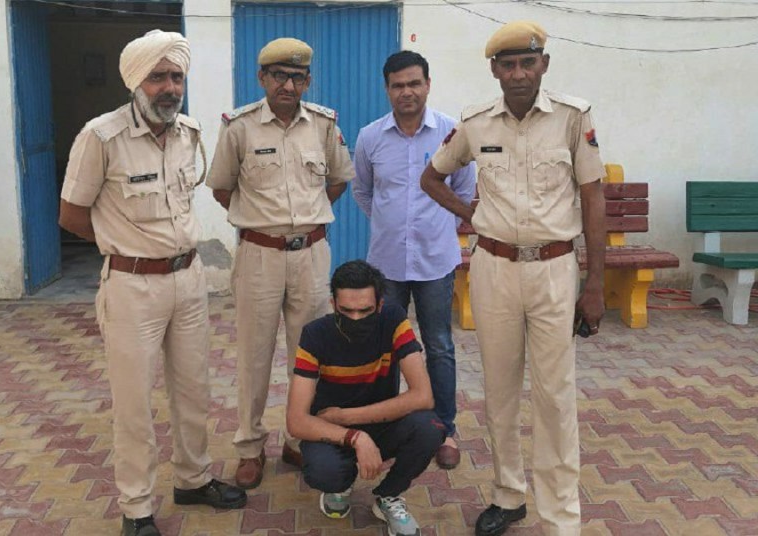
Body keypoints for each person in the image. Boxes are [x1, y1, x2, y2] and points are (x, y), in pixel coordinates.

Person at [420, 21, 606, 536]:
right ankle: (507, 495)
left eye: (528, 62)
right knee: (499, 390)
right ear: (494, 70)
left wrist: (594, 283)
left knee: (555, 395)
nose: (519, 73)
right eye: (508, 65)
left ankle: (561, 515)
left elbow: (593, 196)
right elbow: (431, 176)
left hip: (554, 270)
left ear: (544, 64)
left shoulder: (573, 117)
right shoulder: (476, 123)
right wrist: (470, 214)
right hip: (494, 269)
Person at [58, 30, 246, 536]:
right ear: (136, 81)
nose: (169, 87)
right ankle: (137, 508)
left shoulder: (189, 132)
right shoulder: (101, 137)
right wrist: (124, 243)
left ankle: (193, 479)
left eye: (176, 77)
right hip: (132, 286)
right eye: (158, 77)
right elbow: (72, 215)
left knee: (194, 389)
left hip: (188, 280)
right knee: (134, 403)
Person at [206, 37, 355, 490]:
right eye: (278, 76)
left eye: (296, 77)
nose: (287, 85)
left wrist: (306, 219)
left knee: (308, 355)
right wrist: (263, 222)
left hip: (311, 255)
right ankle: (250, 447)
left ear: (307, 81)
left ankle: (299, 438)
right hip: (259, 256)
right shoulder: (239, 128)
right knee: (254, 355)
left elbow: (338, 180)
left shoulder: (324, 125)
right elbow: (222, 188)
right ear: (262, 78)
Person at [352, 51, 476, 470]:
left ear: (428, 85)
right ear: (387, 89)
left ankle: (445, 428)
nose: (406, 92)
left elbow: (463, 192)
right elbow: (363, 191)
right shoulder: (370, 137)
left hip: (435, 261)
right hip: (386, 263)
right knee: (384, 349)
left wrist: (435, 228)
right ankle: (387, 428)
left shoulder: (451, 134)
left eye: (414, 83)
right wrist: (389, 223)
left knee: (438, 345)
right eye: (398, 85)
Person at [287, 260, 445, 536]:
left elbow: (423, 396)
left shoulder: (393, 319)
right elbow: (296, 421)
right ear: (333, 304)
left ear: (380, 305)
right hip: (333, 431)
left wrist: (347, 417)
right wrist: (354, 437)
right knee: (324, 471)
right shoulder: (314, 334)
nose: (356, 318)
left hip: (373, 423)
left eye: (365, 310)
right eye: (346, 311)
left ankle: (388, 495)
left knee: (431, 428)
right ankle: (340, 486)